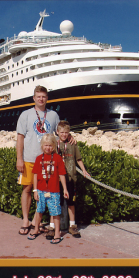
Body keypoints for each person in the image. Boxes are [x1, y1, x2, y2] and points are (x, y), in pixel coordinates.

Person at [16, 85, 60, 235]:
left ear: (47, 98)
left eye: (44, 96)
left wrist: (70, 137)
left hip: (47, 160)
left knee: (44, 191)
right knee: (27, 189)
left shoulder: (53, 115)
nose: (41, 99)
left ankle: (37, 221)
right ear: (34, 98)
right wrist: (19, 159)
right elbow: (20, 138)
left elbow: (59, 134)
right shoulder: (26, 114)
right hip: (29, 158)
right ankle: (25, 220)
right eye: (38, 96)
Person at [46, 120, 90, 239]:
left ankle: (72, 226)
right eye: (62, 132)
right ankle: (52, 227)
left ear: (69, 133)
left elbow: (78, 159)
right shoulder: (54, 144)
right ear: (57, 132)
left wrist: (84, 170)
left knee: (71, 203)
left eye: (66, 132)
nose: (64, 135)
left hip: (70, 177)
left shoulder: (73, 144)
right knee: (54, 203)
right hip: (56, 179)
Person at [28, 134, 69, 244]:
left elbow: (62, 174)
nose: (48, 148)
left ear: (54, 146)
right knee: (39, 210)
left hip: (54, 191)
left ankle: (57, 233)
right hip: (41, 190)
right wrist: (35, 190)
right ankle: (36, 229)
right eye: (46, 145)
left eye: (50, 145)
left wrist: (65, 189)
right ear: (42, 146)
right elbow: (35, 175)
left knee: (55, 212)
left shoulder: (57, 158)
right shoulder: (38, 158)